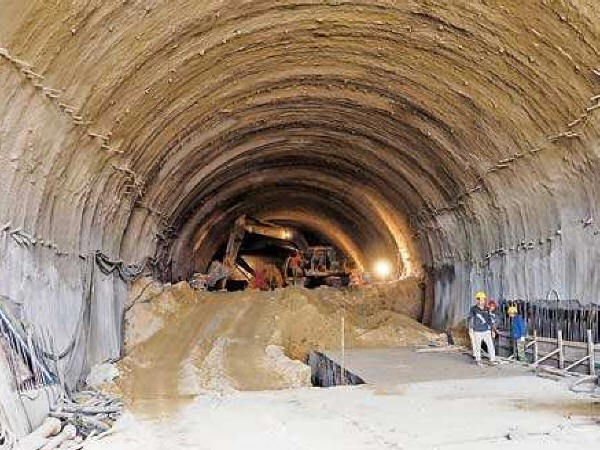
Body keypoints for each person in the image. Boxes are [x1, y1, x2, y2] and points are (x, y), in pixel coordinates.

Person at [468, 291, 496, 366]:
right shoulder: (473, 309)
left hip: (486, 330)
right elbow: (471, 318)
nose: (481, 302)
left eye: (483, 300)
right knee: (477, 346)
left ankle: (492, 360)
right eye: (479, 300)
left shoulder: (487, 309)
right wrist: (470, 328)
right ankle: (478, 359)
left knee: (490, 345)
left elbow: (489, 320)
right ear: (477, 300)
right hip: (477, 331)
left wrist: (493, 330)